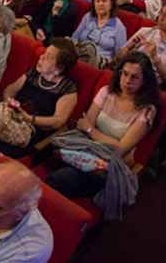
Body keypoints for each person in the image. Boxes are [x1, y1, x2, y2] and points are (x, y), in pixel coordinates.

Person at [46, 52, 158, 215]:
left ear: (145, 81)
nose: (127, 81)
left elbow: (120, 148)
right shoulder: (106, 92)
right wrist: (92, 132)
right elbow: (85, 123)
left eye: (134, 77)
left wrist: (91, 131)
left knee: (58, 180)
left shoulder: (147, 110)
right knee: (58, 166)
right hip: (85, 148)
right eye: (125, 74)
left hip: (109, 163)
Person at [0, 38, 79, 158]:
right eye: (44, 53)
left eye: (47, 57)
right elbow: (9, 91)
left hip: (31, 132)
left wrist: (29, 118)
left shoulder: (68, 88)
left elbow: (57, 121)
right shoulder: (33, 73)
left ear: (59, 68)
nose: (41, 58)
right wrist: (10, 103)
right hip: (10, 119)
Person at [115, 0, 166, 90]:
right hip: (126, 78)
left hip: (150, 88)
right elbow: (117, 59)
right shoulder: (145, 32)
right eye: (161, 13)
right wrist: (128, 47)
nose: (161, 18)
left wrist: (155, 58)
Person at [72, 0, 128, 65]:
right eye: (97, 1)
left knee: (89, 51)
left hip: (102, 61)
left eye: (104, 1)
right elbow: (75, 37)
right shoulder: (88, 17)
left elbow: (118, 56)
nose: (100, 4)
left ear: (111, 4)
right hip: (81, 53)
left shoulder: (119, 26)